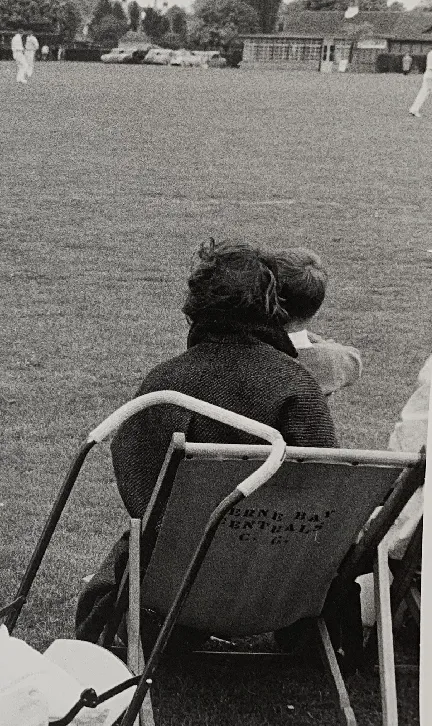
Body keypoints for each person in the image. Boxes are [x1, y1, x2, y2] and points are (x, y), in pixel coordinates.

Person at [74, 238, 338, 639]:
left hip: (177, 581)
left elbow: (142, 499)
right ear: (273, 308)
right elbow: (325, 489)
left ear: (195, 308)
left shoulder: (164, 385)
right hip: (279, 581)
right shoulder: (297, 385)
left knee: (145, 539)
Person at [266, 247, 362, 399]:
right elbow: (353, 359)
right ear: (315, 311)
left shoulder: (248, 354)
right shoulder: (333, 360)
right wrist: (322, 343)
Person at [409, 48, 431, 118]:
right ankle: (414, 109)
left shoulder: (430, 53)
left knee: (423, 92)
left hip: (428, 74)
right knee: (424, 92)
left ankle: (414, 109)